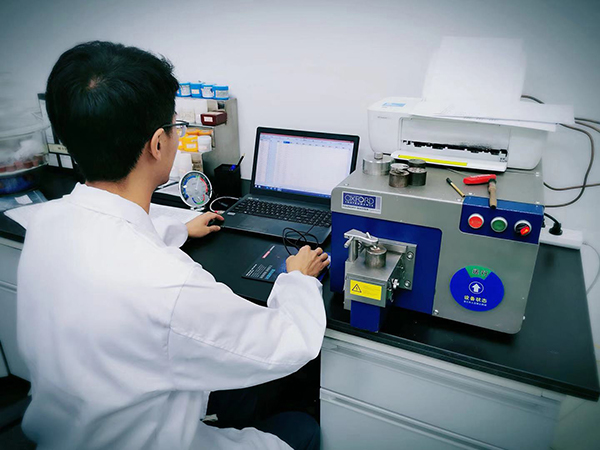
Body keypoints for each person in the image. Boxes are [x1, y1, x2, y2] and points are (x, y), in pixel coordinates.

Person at [17, 41, 329, 450]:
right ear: (158, 144)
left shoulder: (45, 223)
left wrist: (180, 229)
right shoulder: (170, 286)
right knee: (302, 428)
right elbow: (289, 344)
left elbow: (114, 239)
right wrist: (298, 279)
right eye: (174, 126)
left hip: (68, 431)